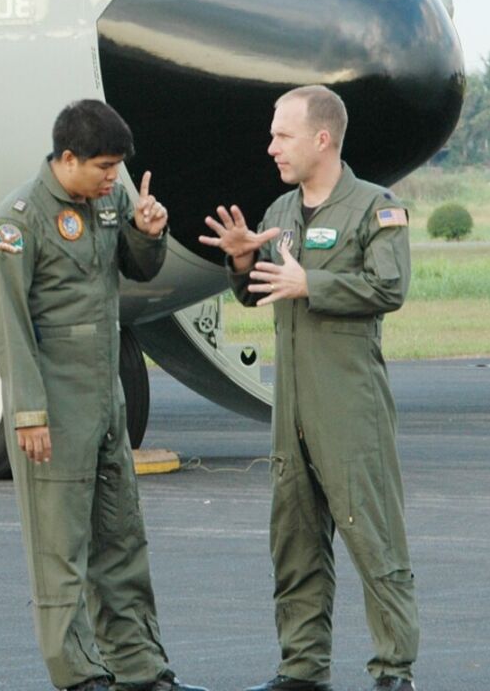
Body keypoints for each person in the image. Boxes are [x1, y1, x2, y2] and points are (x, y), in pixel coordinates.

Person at [199, 85, 420, 691]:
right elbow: (256, 291)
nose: (271, 147)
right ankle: (302, 668)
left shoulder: (377, 208)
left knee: (373, 538)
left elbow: (388, 289)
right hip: (290, 409)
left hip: (350, 406)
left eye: (282, 135)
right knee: (294, 544)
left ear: (322, 139)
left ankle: (392, 670)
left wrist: (312, 285)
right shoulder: (278, 214)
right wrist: (243, 263)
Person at [0, 99, 204, 691]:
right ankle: (78, 674)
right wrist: (27, 413)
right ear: (68, 158)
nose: (114, 178)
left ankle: (139, 667)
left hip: (107, 403)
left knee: (122, 540)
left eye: (118, 168)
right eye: (105, 167)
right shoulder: (18, 221)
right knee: (61, 550)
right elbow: (9, 327)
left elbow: (139, 266)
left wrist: (147, 231)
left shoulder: (110, 202)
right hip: (54, 408)